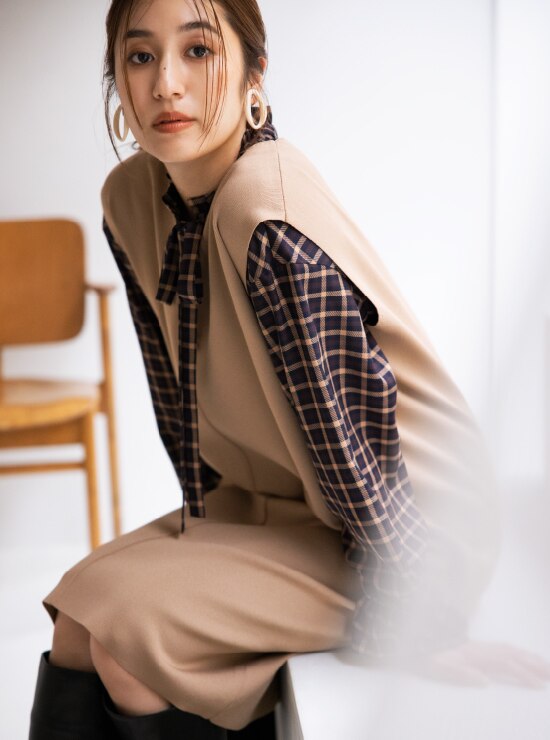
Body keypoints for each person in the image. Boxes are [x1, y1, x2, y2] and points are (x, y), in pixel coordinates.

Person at [28, 0, 550, 738]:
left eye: (199, 51)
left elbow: (352, 437)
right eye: (140, 56)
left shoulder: (264, 215)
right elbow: (174, 396)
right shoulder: (130, 200)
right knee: (78, 621)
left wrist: (419, 618)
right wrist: (202, 541)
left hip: (410, 530)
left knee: (129, 641)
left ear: (255, 75)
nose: (166, 83)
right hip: (273, 508)